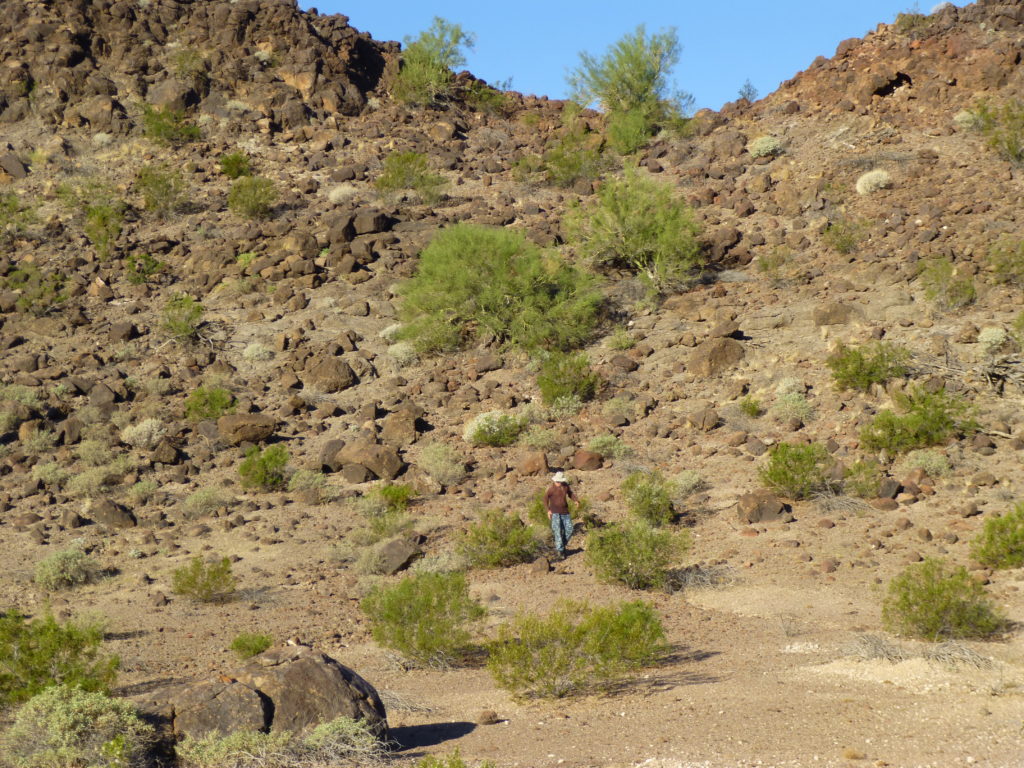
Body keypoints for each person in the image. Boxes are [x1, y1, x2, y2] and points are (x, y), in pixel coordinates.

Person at [544, 471, 576, 560]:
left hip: (565, 512)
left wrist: (576, 500)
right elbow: (545, 499)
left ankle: (561, 545)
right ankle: (560, 551)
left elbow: (570, 494)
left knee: (570, 529)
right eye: (557, 481)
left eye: (559, 481)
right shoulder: (551, 489)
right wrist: (548, 511)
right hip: (555, 513)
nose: (558, 483)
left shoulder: (565, 486)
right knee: (557, 531)